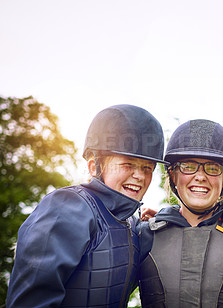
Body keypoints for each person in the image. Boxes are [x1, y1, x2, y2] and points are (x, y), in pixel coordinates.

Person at [6, 104, 166, 307]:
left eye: (147, 168)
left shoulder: (133, 225)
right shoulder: (69, 207)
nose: (140, 176)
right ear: (93, 166)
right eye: (128, 164)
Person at [138, 119, 223, 307]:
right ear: (173, 175)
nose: (200, 176)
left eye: (213, 168)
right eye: (188, 166)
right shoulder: (144, 235)